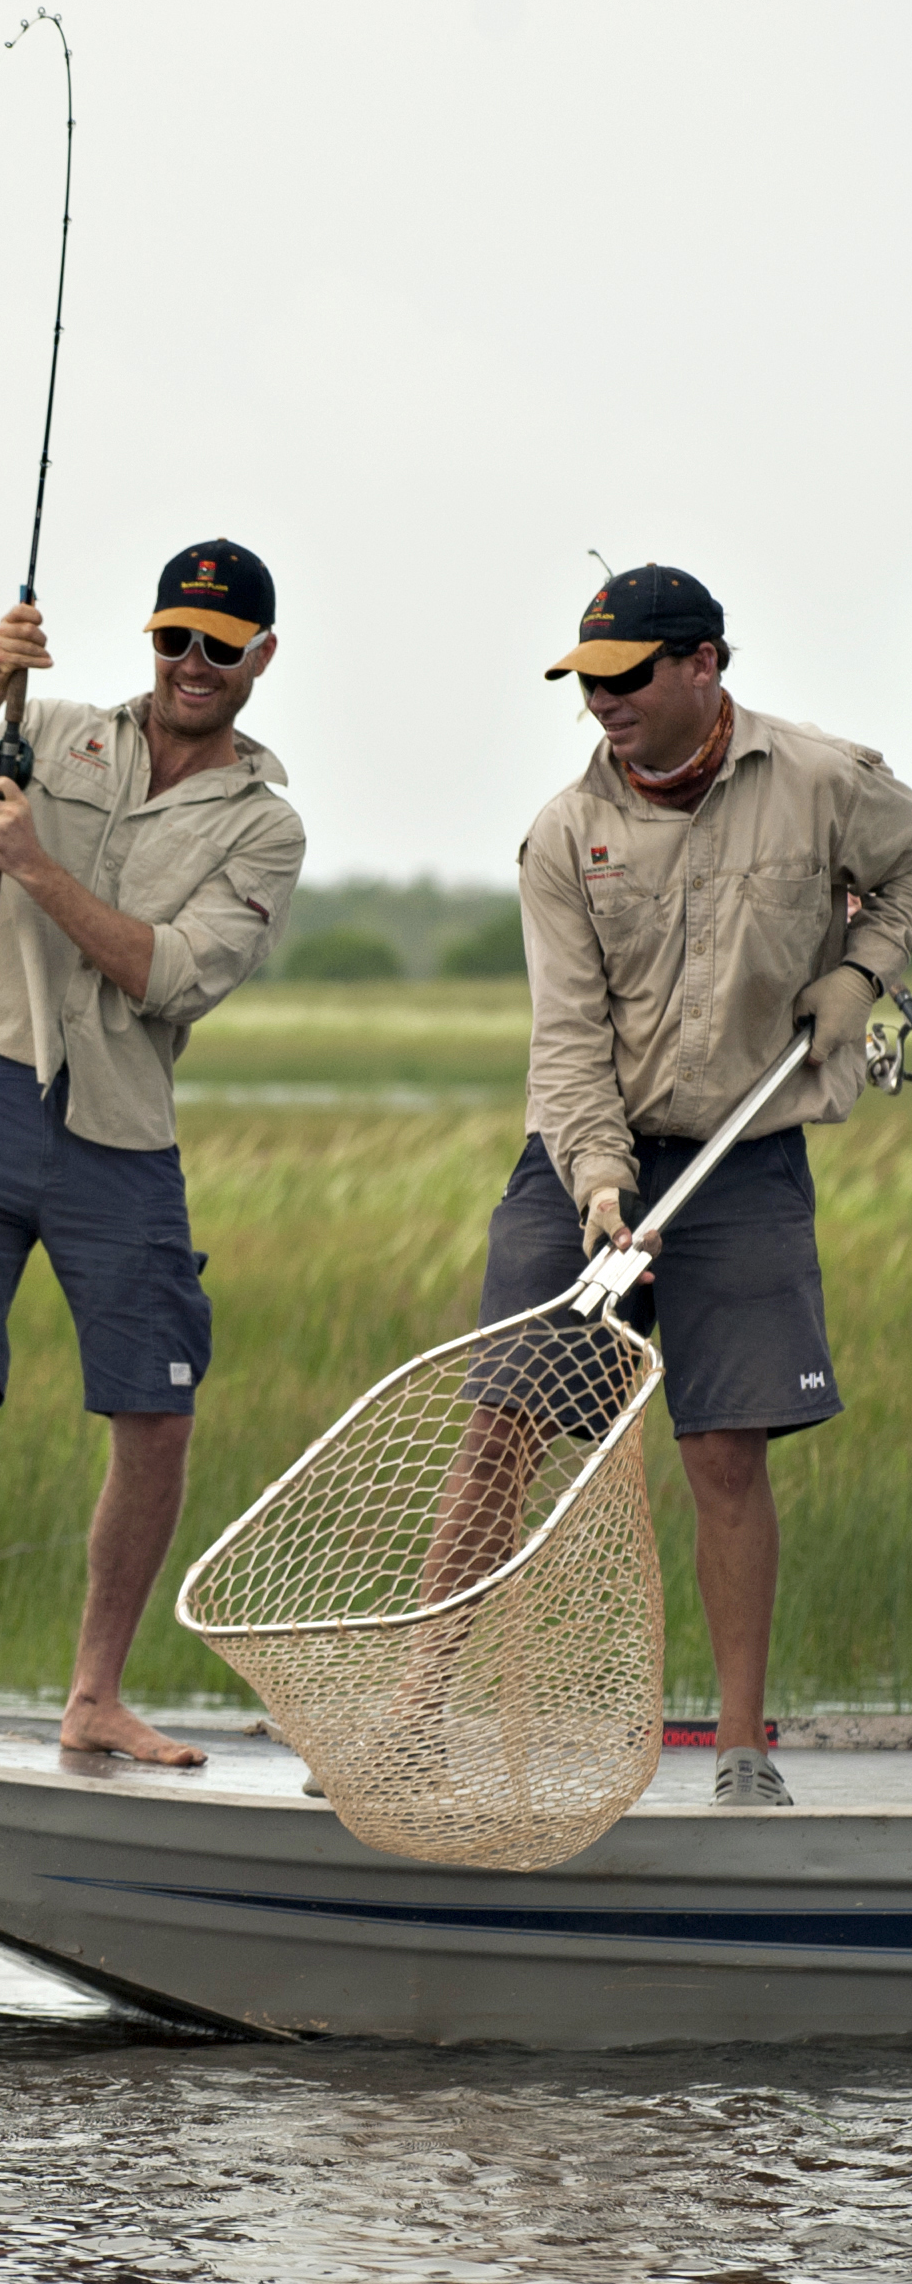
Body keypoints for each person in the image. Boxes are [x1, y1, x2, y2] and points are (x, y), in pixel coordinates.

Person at [469, 563, 912, 1807]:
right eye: (584, 681)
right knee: (496, 1429)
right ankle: (414, 1709)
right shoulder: (564, 831)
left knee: (723, 1453)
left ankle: (739, 1754)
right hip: (584, 1156)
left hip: (744, 1153)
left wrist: (864, 970)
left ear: (702, 666)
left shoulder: (823, 779)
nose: (599, 701)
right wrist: (599, 1186)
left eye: (623, 677)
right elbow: (563, 1038)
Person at [0, 539, 307, 1763]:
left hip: (120, 1123)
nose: (189, 662)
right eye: (173, 636)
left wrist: (34, 869)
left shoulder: (264, 829)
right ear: (150, 637)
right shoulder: (45, 725)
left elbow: (170, 973)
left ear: (258, 659)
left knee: (155, 1411)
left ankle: (93, 1697)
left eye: (218, 647)